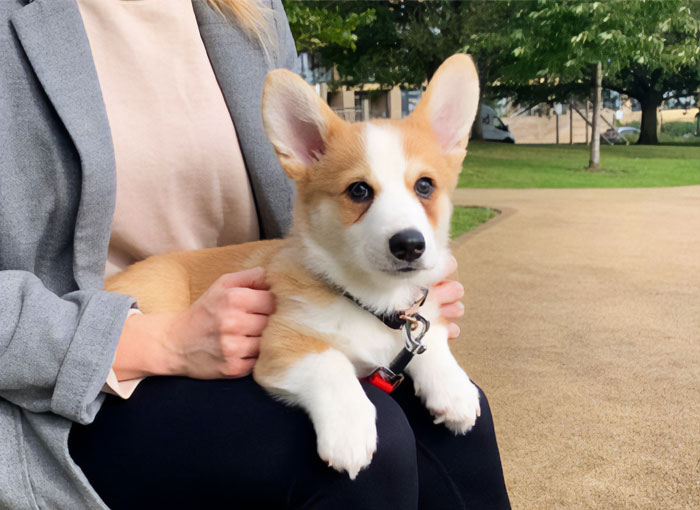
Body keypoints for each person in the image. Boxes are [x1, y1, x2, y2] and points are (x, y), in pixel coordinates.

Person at [0, 0, 511, 508]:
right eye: (362, 192)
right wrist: (163, 341)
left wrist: (412, 316)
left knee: (463, 425)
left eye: (423, 187)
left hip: (261, 314)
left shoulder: (249, 10)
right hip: (106, 366)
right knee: (373, 451)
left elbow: (315, 214)